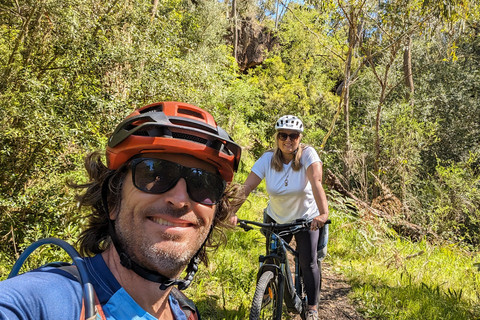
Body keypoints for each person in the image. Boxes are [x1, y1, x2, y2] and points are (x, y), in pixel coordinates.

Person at [0, 101, 242, 320]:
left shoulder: (185, 312)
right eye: (154, 174)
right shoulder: (43, 301)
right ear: (113, 200)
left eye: (203, 183)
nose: (180, 200)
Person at [230, 115, 329, 320]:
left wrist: (323, 214)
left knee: (307, 262)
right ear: (277, 137)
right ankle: (267, 290)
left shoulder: (308, 155)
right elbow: (247, 187)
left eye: (293, 136)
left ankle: (312, 308)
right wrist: (231, 211)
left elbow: (317, 182)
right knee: (271, 259)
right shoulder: (267, 159)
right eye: (283, 135)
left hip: (305, 219)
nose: (288, 140)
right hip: (277, 219)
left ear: (300, 138)